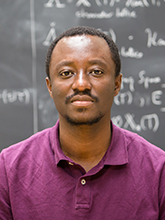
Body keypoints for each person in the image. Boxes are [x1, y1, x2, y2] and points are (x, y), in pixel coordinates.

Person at [0, 26, 165, 220]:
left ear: (117, 84)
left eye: (96, 71)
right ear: (50, 87)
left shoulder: (158, 170)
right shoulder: (8, 169)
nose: (81, 84)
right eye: (66, 73)